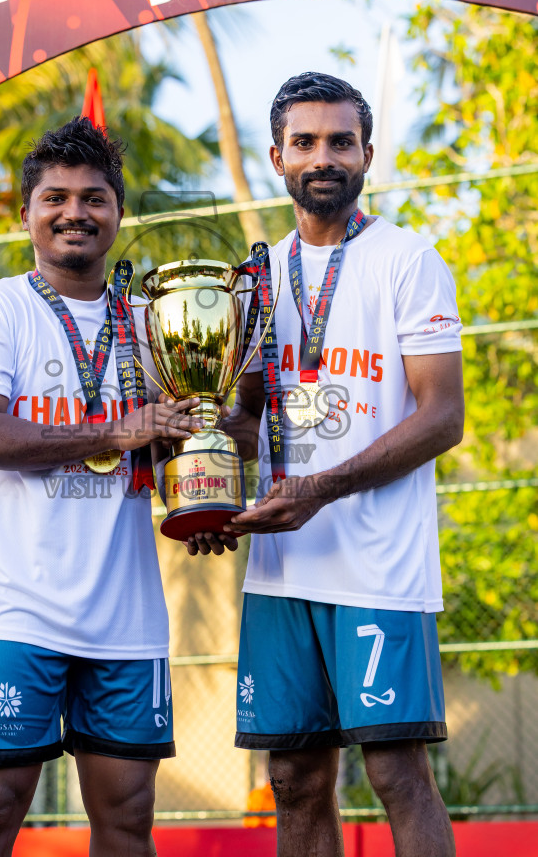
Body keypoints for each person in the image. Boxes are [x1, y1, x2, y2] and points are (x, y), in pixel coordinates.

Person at [188, 73, 463, 857]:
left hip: (376, 562)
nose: (323, 157)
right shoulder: (254, 278)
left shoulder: (408, 259)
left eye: (340, 141)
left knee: (395, 771)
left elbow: (442, 416)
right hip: (282, 566)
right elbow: (242, 418)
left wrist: (325, 486)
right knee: (293, 777)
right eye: (304, 142)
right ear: (276, 156)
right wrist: (207, 488)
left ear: (367, 154)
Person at [0, 116, 201, 857]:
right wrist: (111, 432)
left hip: (126, 618)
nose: (74, 213)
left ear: (118, 213)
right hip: (13, 609)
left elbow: (178, 443)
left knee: (126, 823)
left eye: (94, 197)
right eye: (54, 197)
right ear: (25, 213)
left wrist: (203, 504)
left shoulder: (153, 324)